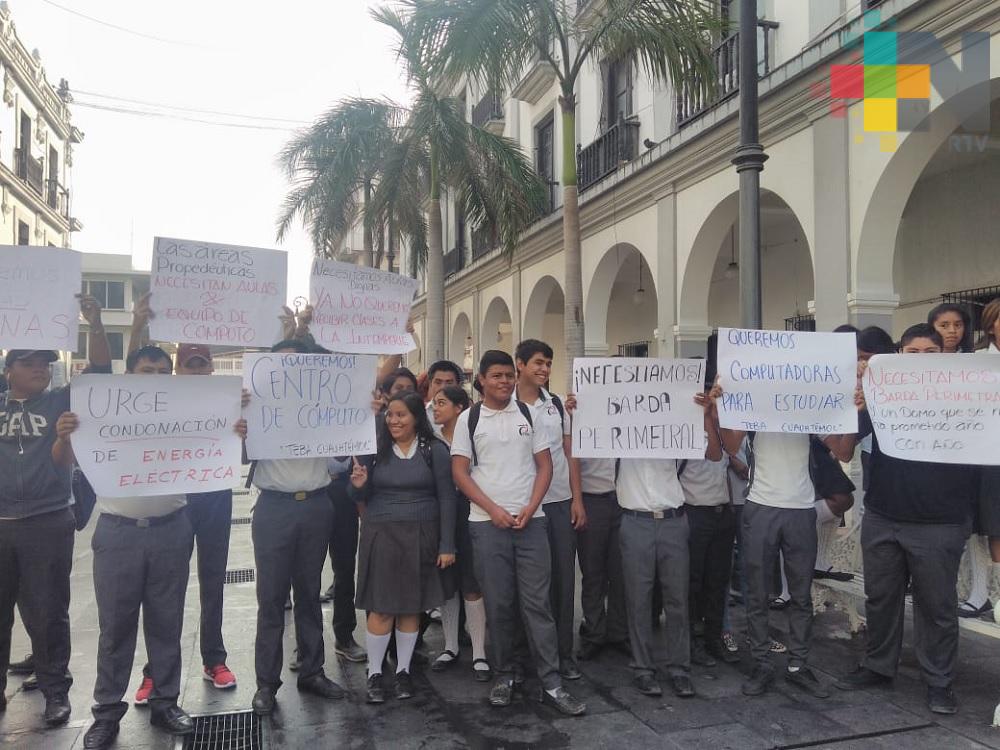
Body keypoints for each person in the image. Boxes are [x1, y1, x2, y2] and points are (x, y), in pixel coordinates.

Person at [60, 345, 246, 750]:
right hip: (117, 532)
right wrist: (66, 436)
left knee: (167, 621)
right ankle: (107, 713)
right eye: (147, 369)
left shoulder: (184, 412)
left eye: (163, 370)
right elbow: (64, 461)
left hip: (170, 528)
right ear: (130, 373)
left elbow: (220, 438)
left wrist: (233, 427)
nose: (156, 376)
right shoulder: (104, 412)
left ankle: (165, 701)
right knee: (115, 628)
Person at [836, 324, 979, 716]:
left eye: (929, 353)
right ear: (898, 355)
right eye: (911, 352)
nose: (919, 360)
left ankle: (939, 682)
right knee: (880, 599)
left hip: (941, 522)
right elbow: (845, 450)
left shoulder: (966, 397)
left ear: (945, 355)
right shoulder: (882, 396)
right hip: (883, 515)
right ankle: (879, 667)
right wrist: (849, 408)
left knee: (937, 607)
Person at [451, 350, 585, 716]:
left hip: (531, 523)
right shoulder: (470, 418)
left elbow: (545, 466)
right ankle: (504, 675)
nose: (504, 381)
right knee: (500, 603)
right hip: (486, 524)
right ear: (481, 379)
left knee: (538, 604)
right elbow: (460, 472)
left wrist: (531, 505)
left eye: (508, 375)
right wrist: (492, 509)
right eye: (496, 376)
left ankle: (552, 682)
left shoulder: (529, 413)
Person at [0, 294, 110, 727]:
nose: (41, 369)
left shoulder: (61, 401)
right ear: (9, 371)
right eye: (30, 363)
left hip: (47, 520)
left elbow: (100, 372)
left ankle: (55, 692)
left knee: (48, 613)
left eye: (45, 363)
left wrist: (95, 323)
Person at [715, 375, 855, 699]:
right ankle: (762, 663)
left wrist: (851, 413)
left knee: (801, 594)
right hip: (761, 507)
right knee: (758, 592)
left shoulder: (810, 409)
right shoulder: (754, 406)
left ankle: (798, 665)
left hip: (800, 509)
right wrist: (723, 405)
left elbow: (844, 452)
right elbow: (731, 444)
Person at [247, 336, 346, 716]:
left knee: (309, 594)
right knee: (271, 599)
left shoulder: (324, 403)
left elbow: (343, 446)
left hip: (316, 506)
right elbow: (234, 448)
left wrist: (359, 413)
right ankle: (266, 684)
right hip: (274, 507)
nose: (288, 370)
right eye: (280, 364)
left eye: (295, 362)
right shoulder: (255, 406)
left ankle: (312, 671)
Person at [349, 392, 456, 703]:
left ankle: (403, 671)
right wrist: (357, 485)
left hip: (422, 535)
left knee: (411, 606)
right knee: (382, 607)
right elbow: (356, 493)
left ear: (415, 418)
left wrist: (447, 544)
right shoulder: (374, 449)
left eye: (401, 415)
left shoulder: (434, 450)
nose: (394, 421)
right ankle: (375, 673)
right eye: (390, 415)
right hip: (381, 535)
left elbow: (447, 497)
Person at [616, 389, 721, 698]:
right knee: (638, 599)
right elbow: (585, 442)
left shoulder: (677, 429)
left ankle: (679, 668)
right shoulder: (615, 433)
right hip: (635, 521)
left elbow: (714, 454)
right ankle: (643, 668)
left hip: (674, 521)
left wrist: (703, 417)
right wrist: (578, 412)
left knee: (678, 599)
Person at [512, 340, 585, 680]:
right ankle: (526, 653)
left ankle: (564, 655)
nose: (544, 369)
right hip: (519, 504)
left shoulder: (557, 405)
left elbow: (570, 454)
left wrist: (577, 498)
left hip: (556, 502)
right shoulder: (503, 403)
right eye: (538, 362)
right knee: (527, 584)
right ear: (520, 364)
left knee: (562, 582)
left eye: (548, 363)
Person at [430, 385, 491, 680]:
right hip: (441, 517)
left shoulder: (475, 435)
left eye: (441, 403)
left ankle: (479, 651)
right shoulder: (430, 441)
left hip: (472, 512)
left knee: (472, 581)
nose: (435, 408)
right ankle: (451, 646)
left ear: (459, 407)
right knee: (447, 582)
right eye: (433, 403)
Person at [682, 383, 739, 667]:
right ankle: (692, 641)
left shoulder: (726, 430)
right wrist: (706, 418)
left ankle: (713, 637)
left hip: (721, 513)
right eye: (713, 399)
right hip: (695, 513)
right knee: (693, 581)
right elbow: (714, 455)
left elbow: (728, 463)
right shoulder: (690, 431)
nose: (717, 404)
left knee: (718, 579)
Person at [574, 455, 628, 662]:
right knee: (592, 571)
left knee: (620, 571)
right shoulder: (580, 421)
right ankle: (594, 632)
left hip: (625, 497)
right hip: (591, 497)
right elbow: (573, 457)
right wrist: (577, 499)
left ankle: (619, 632)